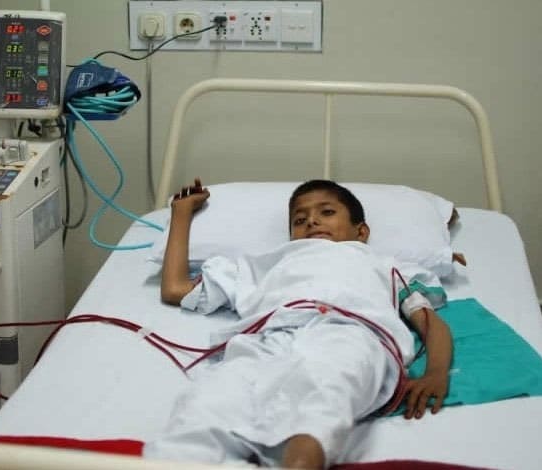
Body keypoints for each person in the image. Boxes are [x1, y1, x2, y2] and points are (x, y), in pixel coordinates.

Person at [143, 179, 453, 469]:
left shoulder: (385, 265)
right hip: (266, 340)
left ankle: (301, 459)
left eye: (327, 212)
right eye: (299, 219)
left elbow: (429, 322)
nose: (312, 222)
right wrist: (181, 214)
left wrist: (436, 373)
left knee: (324, 396)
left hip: (349, 334)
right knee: (206, 405)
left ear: (361, 232)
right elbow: (174, 288)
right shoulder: (266, 262)